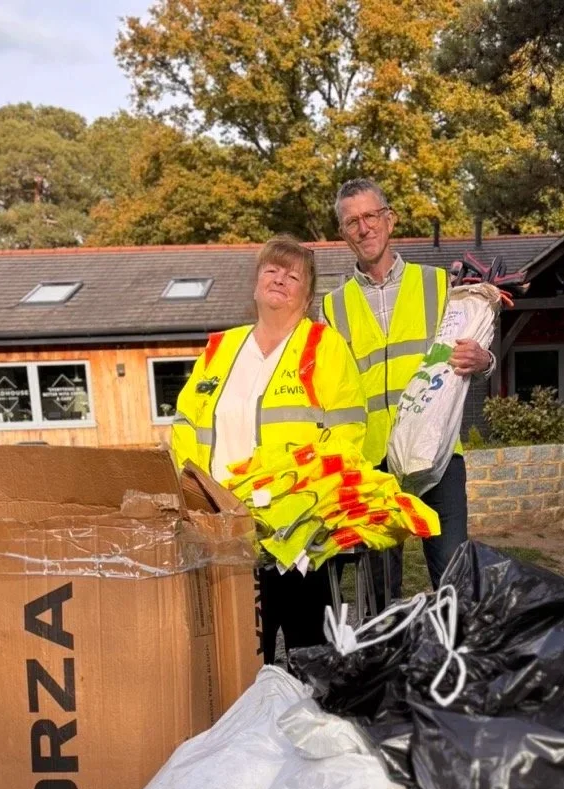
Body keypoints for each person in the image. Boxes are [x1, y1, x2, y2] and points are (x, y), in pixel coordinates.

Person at [172, 235, 367, 664]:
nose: (280, 278)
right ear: (256, 282)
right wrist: (196, 494)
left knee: (307, 658)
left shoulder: (324, 346)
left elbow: (348, 432)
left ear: (307, 294)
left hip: (294, 533)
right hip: (225, 529)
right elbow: (186, 424)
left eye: (292, 274)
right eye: (271, 269)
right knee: (239, 657)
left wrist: (301, 505)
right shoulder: (221, 348)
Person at [323, 178, 495, 603]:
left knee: (453, 578)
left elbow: (475, 352)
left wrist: (484, 360)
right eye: (352, 222)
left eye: (370, 216)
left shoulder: (438, 284)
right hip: (373, 460)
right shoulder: (332, 305)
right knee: (377, 589)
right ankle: (389, 665)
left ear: (390, 219)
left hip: (437, 451)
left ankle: (457, 663)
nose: (363, 228)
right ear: (343, 234)